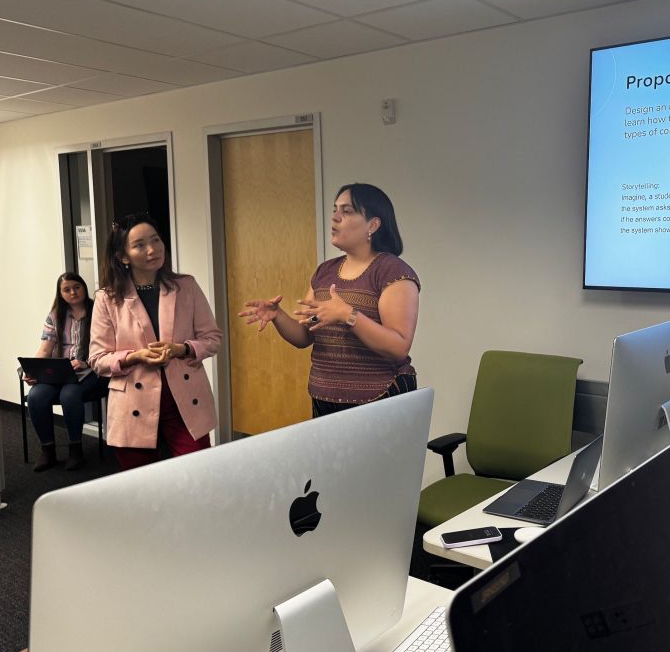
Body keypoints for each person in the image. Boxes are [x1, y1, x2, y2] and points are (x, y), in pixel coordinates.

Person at [241, 183, 420, 417]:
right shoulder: (325, 272)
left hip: (380, 397)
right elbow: (304, 336)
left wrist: (348, 315)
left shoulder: (392, 271)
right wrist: (278, 316)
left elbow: (398, 346)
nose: (335, 218)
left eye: (347, 211)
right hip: (324, 399)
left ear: (373, 225)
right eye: (335, 209)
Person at [89, 213, 222, 470]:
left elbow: (213, 338)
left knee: (197, 477)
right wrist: (134, 357)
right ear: (123, 256)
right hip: (133, 403)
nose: (152, 249)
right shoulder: (108, 298)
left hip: (183, 398)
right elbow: (97, 359)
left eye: (156, 240)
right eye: (139, 245)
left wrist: (182, 349)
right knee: (142, 488)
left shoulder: (186, 286)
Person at [22, 273, 108, 472]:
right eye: (66, 289)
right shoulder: (55, 315)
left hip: (91, 370)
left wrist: (86, 362)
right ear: (60, 293)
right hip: (60, 370)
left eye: (76, 287)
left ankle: (75, 450)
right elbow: (45, 349)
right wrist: (32, 370)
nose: (72, 292)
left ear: (84, 287)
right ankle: (47, 450)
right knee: (36, 396)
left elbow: (109, 344)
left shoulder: (99, 311)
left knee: (69, 394)